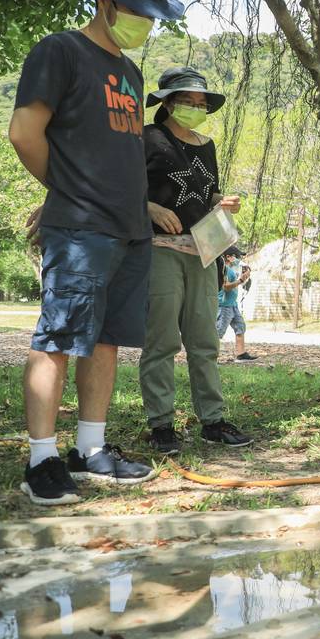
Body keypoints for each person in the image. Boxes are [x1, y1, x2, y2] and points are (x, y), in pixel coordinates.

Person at [8, 0, 184, 504]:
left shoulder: (130, 73)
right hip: (80, 227)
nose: (145, 24)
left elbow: (124, 153)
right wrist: (66, 191)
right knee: (59, 338)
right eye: (137, 12)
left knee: (106, 341)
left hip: (129, 229)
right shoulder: (60, 51)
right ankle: (42, 460)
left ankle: (90, 450)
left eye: (152, 16)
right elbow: (23, 133)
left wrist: (142, 207)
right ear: (105, 2)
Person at [140, 67, 253, 455]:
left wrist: (224, 203)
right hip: (160, 250)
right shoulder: (147, 138)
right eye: (187, 101)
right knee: (163, 340)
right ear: (168, 102)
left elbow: (208, 195)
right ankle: (161, 424)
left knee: (205, 341)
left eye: (201, 103)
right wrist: (151, 208)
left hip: (204, 251)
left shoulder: (207, 144)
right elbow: (121, 189)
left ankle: (213, 420)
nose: (194, 108)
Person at [216, 247, 257, 362]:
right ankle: (211, 356)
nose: (239, 259)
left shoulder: (232, 269)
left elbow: (244, 267)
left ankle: (241, 354)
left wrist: (246, 272)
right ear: (228, 257)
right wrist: (240, 281)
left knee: (240, 326)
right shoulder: (224, 269)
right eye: (237, 256)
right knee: (218, 331)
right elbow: (226, 287)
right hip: (224, 306)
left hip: (233, 305)